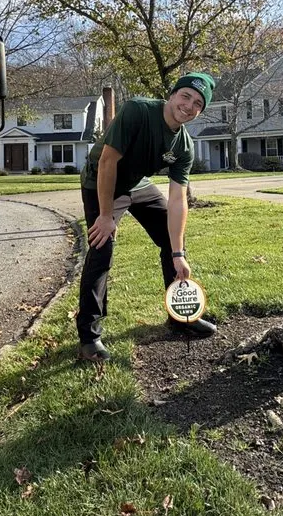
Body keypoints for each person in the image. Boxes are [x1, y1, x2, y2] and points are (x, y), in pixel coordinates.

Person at [77, 73, 217, 361]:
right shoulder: (138, 111)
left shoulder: (184, 146)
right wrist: (106, 216)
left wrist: (178, 253)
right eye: (186, 96)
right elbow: (107, 161)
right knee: (102, 247)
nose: (189, 106)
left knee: (172, 238)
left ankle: (179, 316)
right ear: (172, 95)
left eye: (198, 103)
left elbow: (177, 199)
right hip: (101, 179)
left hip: (137, 183)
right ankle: (89, 337)